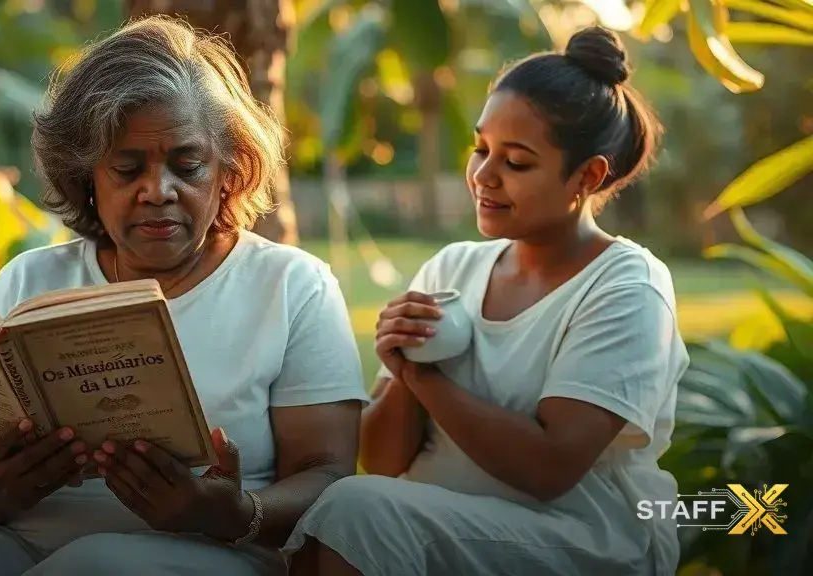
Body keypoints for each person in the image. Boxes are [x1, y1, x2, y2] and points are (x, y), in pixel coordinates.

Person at [0, 15, 368, 576]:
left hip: (214, 552)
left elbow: (329, 477)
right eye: (127, 168)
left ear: (229, 170)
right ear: (86, 174)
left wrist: (235, 511)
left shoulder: (292, 286)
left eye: (187, 166)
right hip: (18, 548)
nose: (158, 191)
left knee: (94, 565)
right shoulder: (29, 281)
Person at [283, 26, 688, 576]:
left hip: (579, 540)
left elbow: (550, 468)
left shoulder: (625, 287)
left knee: (354, 511)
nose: (483, 176)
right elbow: (380, 462)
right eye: (481, 149)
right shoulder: (452, 269)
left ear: (588, 175)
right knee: (342, 508)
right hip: (437, 526)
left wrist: (427, 380)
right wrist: (400, 364)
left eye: (516, 162)